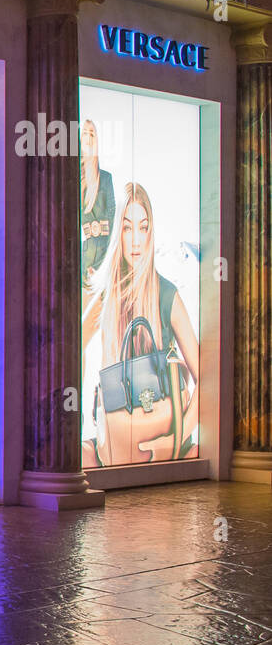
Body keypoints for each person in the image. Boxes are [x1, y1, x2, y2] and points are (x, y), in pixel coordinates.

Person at [81, 182, 199, 466]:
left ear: (151, 233)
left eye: (143, 227)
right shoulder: (106, 296)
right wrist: (77, 416)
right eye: (127, 227)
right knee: (75, 460)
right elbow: (73, 349)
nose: (136, 240)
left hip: (165, 436)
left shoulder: (167, 295)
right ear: (118, 234)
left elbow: (206, 381)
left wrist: (176, 438)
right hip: (116, 442)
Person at [80, 118, 115, 310]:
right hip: (83, 258)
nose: (88, 137)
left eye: (92, 133)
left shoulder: (106, 178)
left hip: (104, 254)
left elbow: (112, 216)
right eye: (85, 133)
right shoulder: (71, 179)